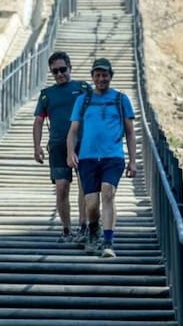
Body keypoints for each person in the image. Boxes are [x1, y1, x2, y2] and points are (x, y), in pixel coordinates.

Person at [66, 58, 136, 258]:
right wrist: (70, 152)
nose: (101, 79)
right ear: (92, 77)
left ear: (111, 76)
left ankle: (108, 241)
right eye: (97, 75)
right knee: (91, 203)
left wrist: (133, 160)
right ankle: (93, 229)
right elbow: (73, 131)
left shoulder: (121, 100)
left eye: (105, 75)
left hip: (112, 156)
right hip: (87, 157)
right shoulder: (83, 100)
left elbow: (130, 132)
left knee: (108, 192)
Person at [32, 51, 91, 243]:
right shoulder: (46, 95)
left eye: (62, 70)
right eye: (55, 71)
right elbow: (39, 121)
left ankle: (83, 226)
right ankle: (66, 230)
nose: (59, 74)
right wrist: (37, 146)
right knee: (62, 187)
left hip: (83, 143)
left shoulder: (83, 88)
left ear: (70, 68)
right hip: (57, 145)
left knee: (84, 184)